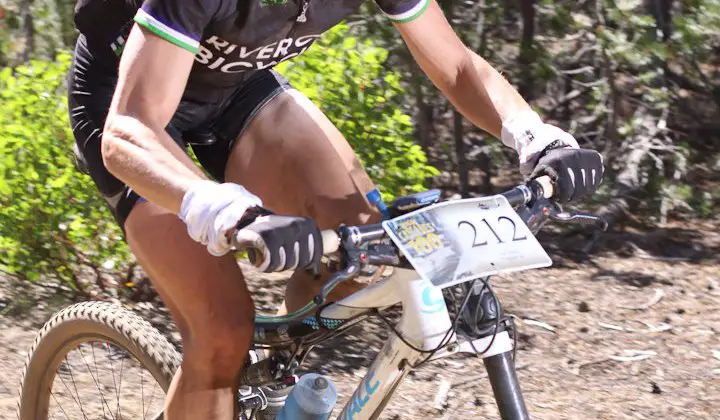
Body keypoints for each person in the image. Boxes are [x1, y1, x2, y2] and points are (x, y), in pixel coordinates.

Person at [69, 0, 604, 418]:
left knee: (360, 255)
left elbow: (457, 65)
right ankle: (220, 372)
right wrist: (232, 213)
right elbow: (128, 132)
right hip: (127, 102)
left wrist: (538, 138)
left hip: (235, 89)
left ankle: (274, 381)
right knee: (222, 330)